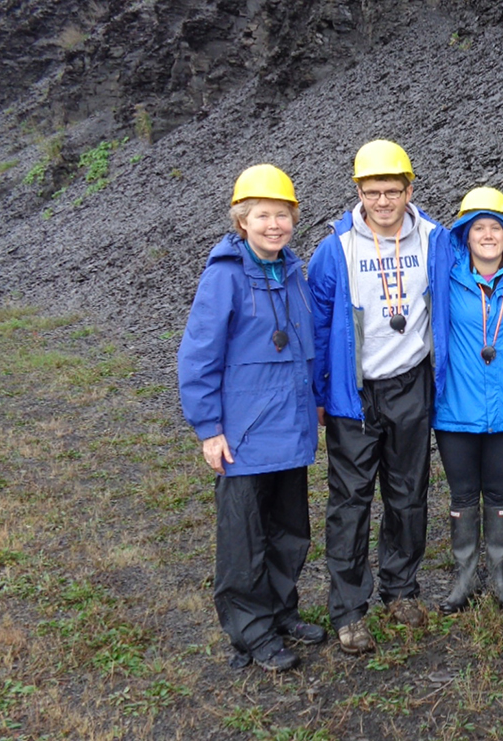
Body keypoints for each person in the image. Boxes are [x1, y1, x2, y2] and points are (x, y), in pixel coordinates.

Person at [178, 164, 323, 672]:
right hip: (243, 436)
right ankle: (251, 630)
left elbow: (307, 348)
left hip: (291, 429)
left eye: (282, 215)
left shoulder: (294, 271)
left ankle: (282, 612)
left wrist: (318, 400)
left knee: (289, 531)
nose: (274, 225)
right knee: (244, 541)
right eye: (263, 215)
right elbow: (198, 356)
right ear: (243, 220)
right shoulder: (223, 276)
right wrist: (208, 429)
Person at [309, 140, 452, 653]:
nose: (384, 201)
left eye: (393, 191)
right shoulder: (336, 248)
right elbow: (319, 325)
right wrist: (321, 392)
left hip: (412, 382)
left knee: (408, 493)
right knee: (350, 501)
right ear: (359, 192)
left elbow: (491, 258)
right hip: (355, 392)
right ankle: (348, 608)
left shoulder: (436, 239)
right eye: (373, 192)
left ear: (410, 190)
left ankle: (401, 588)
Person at [434, 187, 503, 615]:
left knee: (498, 493)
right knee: (462, 496)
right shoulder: (445, 275)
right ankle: (463, 576)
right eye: (479, 227)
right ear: (465, 233)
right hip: (455, 409)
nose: (488, 234)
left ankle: (497, 575)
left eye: (496, 227)